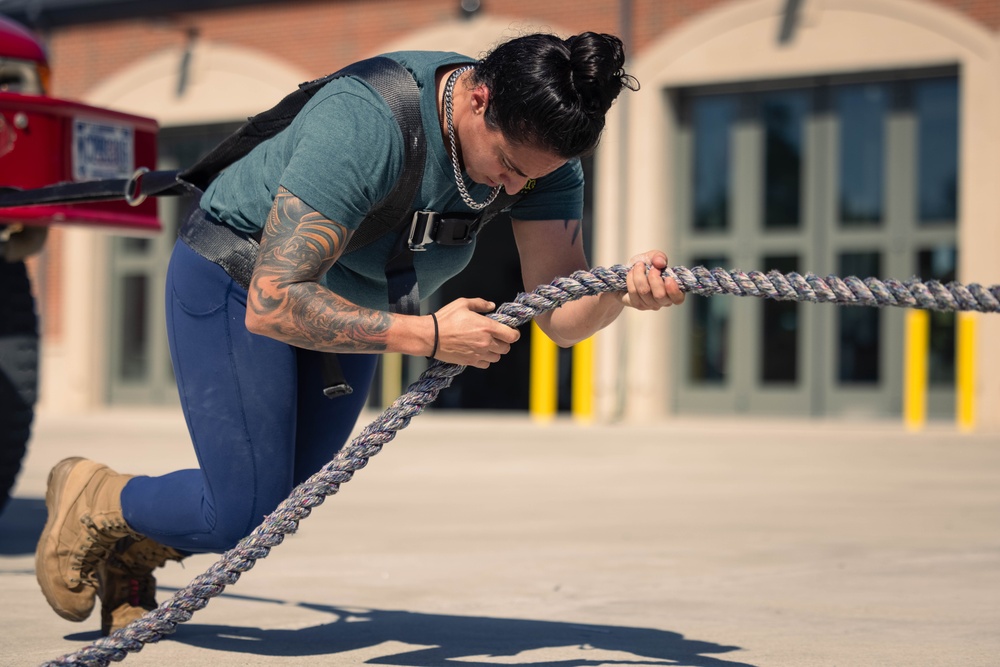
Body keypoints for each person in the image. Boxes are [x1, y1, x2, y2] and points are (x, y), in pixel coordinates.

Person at [34, 31, 685, 636]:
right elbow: (274, 301)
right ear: (479, 99)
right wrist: (429, 335)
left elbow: (561, 316)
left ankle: (127, 549)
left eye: (531, 178)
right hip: (237, 278)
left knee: (277, 500)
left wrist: (619, 294)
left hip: (356, 300)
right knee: (243, 508)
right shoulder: (368, 122)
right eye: (510, 165)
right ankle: (97, 493)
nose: (514, 187)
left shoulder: (542, 159)